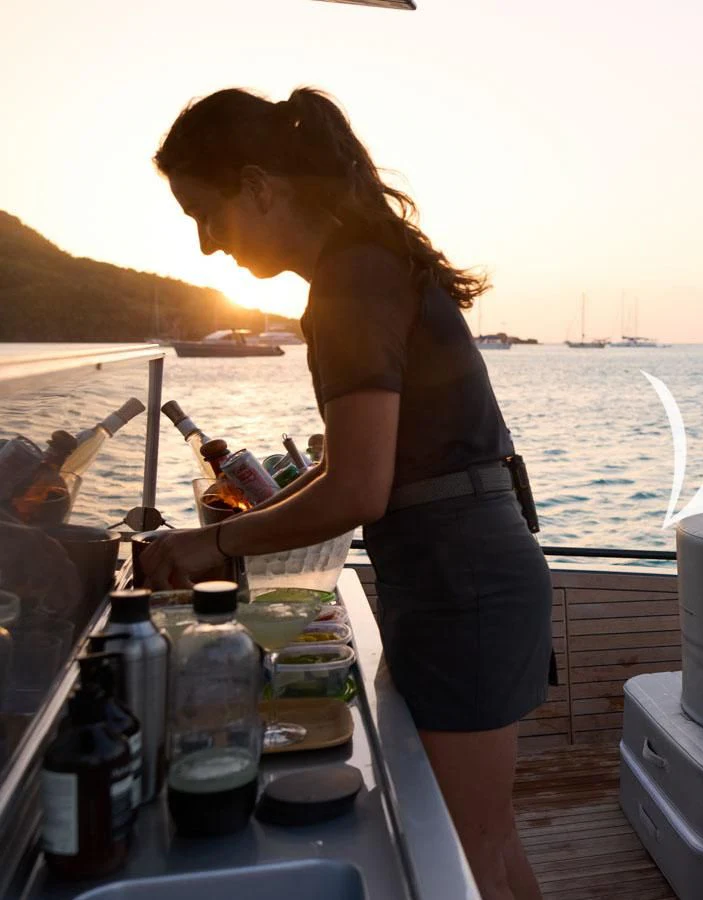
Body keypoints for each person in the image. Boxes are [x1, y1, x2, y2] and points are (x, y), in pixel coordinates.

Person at [139, 88, 549, 899]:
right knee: (487, 849)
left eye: (205, 212)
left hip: (461, 588)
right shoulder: (365, 262)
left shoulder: (349, 282)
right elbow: (358, 473)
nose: (206, 244)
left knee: (467, 859)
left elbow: (360, 489)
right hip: (463, 576)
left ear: (258, 185)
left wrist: (209, 544)